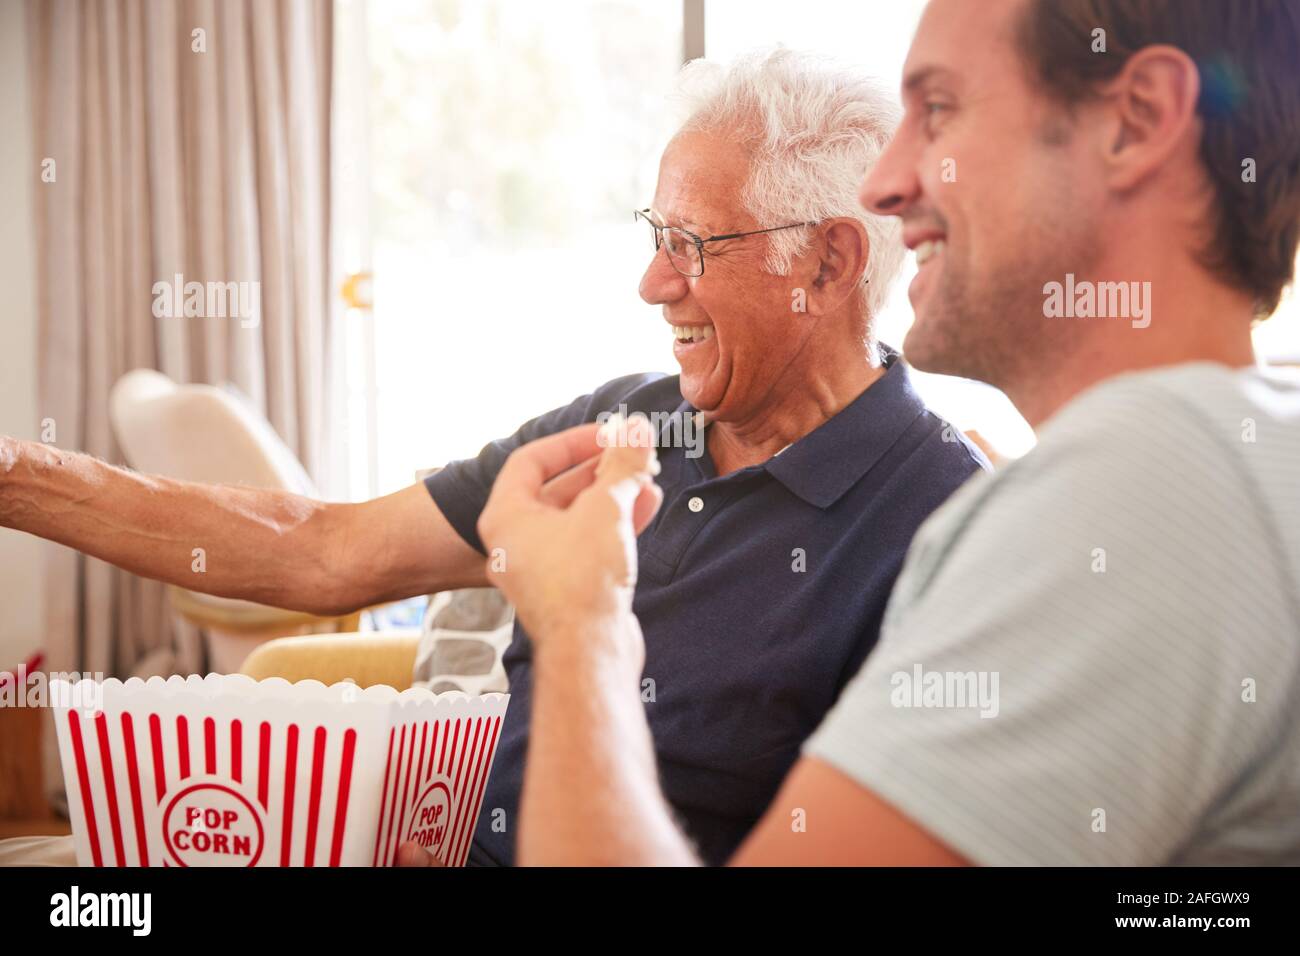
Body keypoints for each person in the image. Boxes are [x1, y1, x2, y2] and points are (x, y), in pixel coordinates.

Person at [0, 50, 985, 867]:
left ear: (829, 262)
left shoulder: (946, 529)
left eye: (691, 244)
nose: (651, 283)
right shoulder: (624, 425)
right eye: (655, 235)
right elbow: (321, 551)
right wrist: (15, 476)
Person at [399, 0, 1300, 866]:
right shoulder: (1232, 461)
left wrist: (582, 620)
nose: (885, 183)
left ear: (1136, 121)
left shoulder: (1128, 499)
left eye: (939, 111)